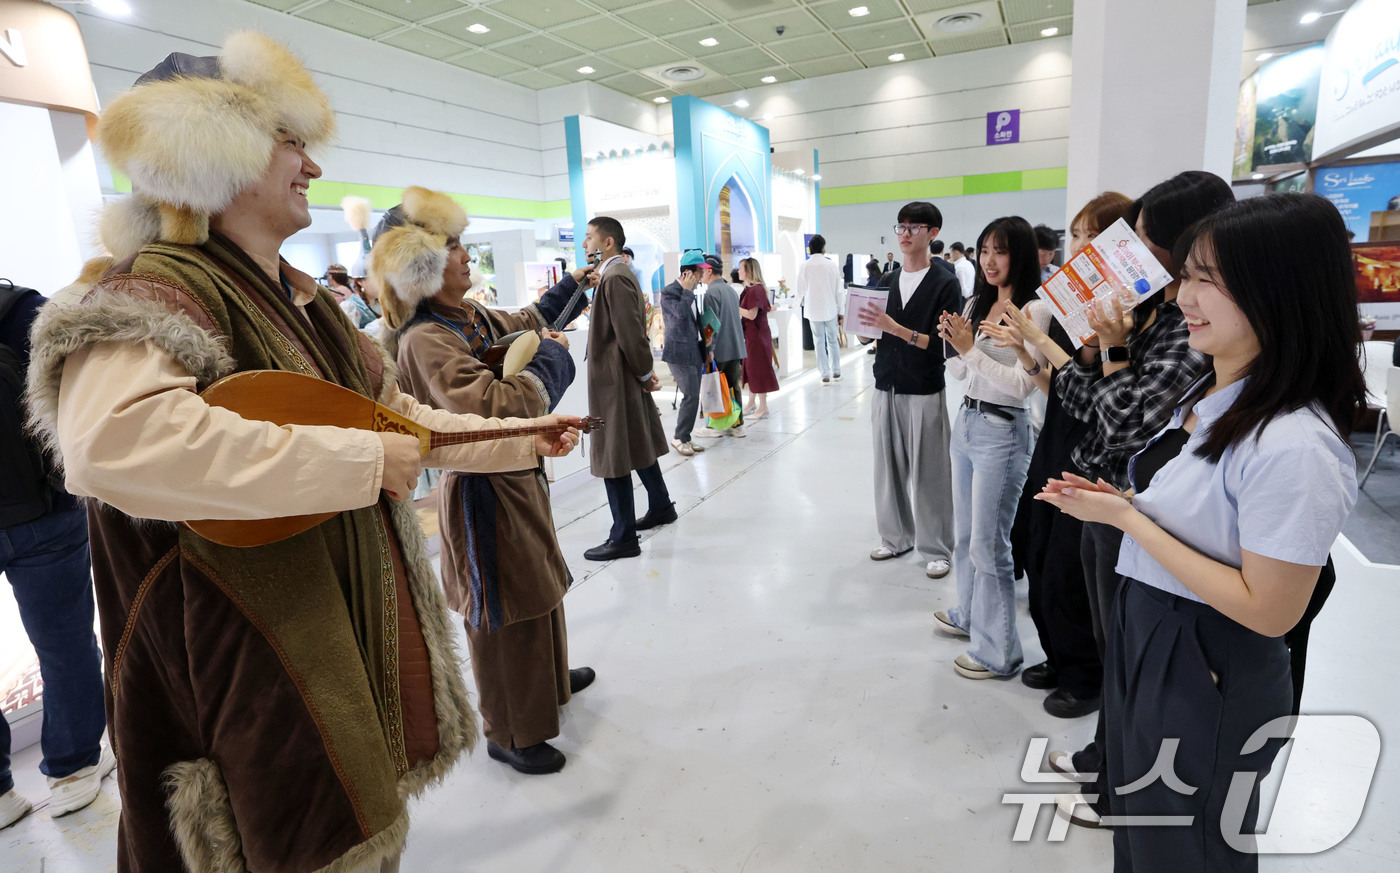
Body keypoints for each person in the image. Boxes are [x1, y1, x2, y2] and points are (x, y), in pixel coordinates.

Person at [25, 35, 580, 872]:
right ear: (216, 149)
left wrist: (517, 437)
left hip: (329, 653)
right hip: (239, 678)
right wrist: (358, 462)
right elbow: (113, 444)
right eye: (290, 140)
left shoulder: (310, 309)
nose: (311, 166)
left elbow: (402, 424)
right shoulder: (153, 289)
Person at [1038, 193, 1364, 871]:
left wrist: (1128, 518)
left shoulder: (1294, 444)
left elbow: (1271, 605)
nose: (1185, 295)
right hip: (1156, 635)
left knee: (1189, 847)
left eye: (1208, 279)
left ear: (1280, 291)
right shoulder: (1218, 401)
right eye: (1185, 274)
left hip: (1204, 658)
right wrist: (1126, 505)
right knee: (1146, 833)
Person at [1013, 170, 1233, 827]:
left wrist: (1101, 349)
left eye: (1137, 238)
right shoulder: (1155, 311)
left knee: (1133, 656)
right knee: (1117, 648)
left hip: (1139, 506)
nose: (1116, 252)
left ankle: (1118, 785)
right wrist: (1084, 353)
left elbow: (1124, 423)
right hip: (1111, 497)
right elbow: (1086, 404)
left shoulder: (1188, 325)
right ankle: (1107, 756)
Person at [375, 186, 596, 776]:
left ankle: (546, 684)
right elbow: (495, 406)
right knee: (502, 605)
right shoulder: (426, 337)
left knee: (540, 587)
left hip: (517, 474)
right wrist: (555, 361)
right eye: (452, 246)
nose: (467, 255)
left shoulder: (465, 317)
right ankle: (509, 728)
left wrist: (574, 283)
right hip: (480, 490)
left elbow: (528, 320)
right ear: (420, 266)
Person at [1008, 191, 1133, 719]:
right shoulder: (1067, 303)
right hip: (1054, 437)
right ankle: (1059, 658)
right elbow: (1063, 385)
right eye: (1077, 235)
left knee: (1067, 569)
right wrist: (1025, 352)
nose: (1081, 245)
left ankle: (1086, 676)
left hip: (1090, 453)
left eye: (1093, 236)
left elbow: (1109, 397)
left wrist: (1039, 336)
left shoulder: (1125, 311)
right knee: (1034, 549)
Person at [0, 281, 112, 830]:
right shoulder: (23, 310)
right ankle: (73, 771)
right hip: (44, 513)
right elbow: (75, 400)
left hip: (42, 512)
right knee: (65, 644)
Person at [932, 216, 1051, 679]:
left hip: (1003, 431)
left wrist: (971, 349)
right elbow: (964, 374)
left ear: (1018, 254)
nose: (988, 260)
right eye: (984, 251)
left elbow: (1023, 386)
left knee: (989, 543)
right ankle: (968, 614)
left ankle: (999, 652)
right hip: (967, 420)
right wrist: (956, 344)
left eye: (998, 251)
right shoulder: (978, 301)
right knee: (965, 536)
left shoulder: (1034, 311)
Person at [860, 202, 961, 579]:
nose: (905, 233)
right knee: (887, 469)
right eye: (901, 226)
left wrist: (895, 327)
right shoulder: (885, 282)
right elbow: (870, 332)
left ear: (933, 233)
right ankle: (894, 536)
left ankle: (936, 547)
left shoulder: (944, 284)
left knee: (930, 472)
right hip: (885, 384)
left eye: (914, 227)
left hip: (923, 388)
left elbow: (944, 346)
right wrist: (865, 328)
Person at [583, 216, 675, 561]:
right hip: (617, 379)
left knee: (614, 454)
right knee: (634, 442)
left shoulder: (616, 276)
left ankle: (622, 535)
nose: (585, 244)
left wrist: (643, 372)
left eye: (590, 237)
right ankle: (661, 505)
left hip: (615, 382)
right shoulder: (612, 275)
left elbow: (630, 332)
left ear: (608, 243)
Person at [660, 251, 708, 456]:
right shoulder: (669, 292)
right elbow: (678, 316)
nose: (702, 277)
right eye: (699, 272)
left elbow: (694, 320)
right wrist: (687, 290)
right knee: (690, 395)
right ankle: (679, 437)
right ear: (688, 273)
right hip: (678, 352)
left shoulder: (694, 292)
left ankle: (686, 437)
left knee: (694, 396)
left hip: (694, 350)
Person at [697, 254, 748, 438]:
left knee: (713, 387)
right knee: (733, 386)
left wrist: (709, 350)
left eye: (702, 271)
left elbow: (710, 327)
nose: (700, 274)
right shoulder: (730, 290)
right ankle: (737, 425)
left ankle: (713, 426)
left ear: (709, 271)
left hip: (719, 349)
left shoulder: (711, 293)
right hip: (735, 347)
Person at [795, 234, 843, 384]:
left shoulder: (804, 266)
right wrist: (841, 310)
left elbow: (800, 290)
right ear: (823, 248)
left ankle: (824, 374)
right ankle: (836, 370)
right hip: (830, 309)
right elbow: (839, 291)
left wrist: (795, 305)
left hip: (813, 309)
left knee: (819, 342)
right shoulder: (831, 265)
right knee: (833, 341)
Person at [738, 258, 779, 418]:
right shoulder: (751, 289)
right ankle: (752, 402)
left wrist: (736, 307)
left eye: (741, 268)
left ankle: (763, 407)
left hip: (757, 337)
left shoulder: (756, 290)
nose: (739, 271)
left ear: (748, 271)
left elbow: (751, 314)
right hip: (752, 335)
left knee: (758, 369)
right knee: (751, 368)